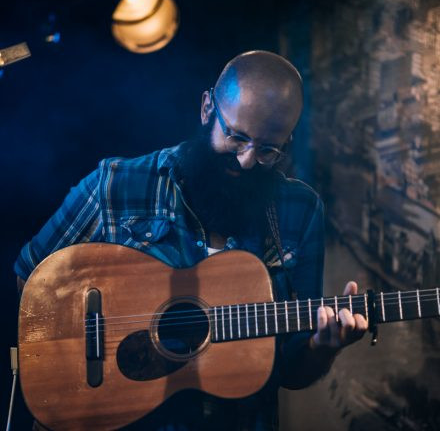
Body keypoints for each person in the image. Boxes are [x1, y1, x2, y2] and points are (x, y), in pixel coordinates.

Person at [15, 50, 367, 430]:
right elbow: (31, 279)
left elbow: (291, 370)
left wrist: (323, 347)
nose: (247, 160)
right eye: (236, 137)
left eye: (268, 150)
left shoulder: (300, 209)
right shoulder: (116, 183)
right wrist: (81, 357)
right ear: (206, 110)